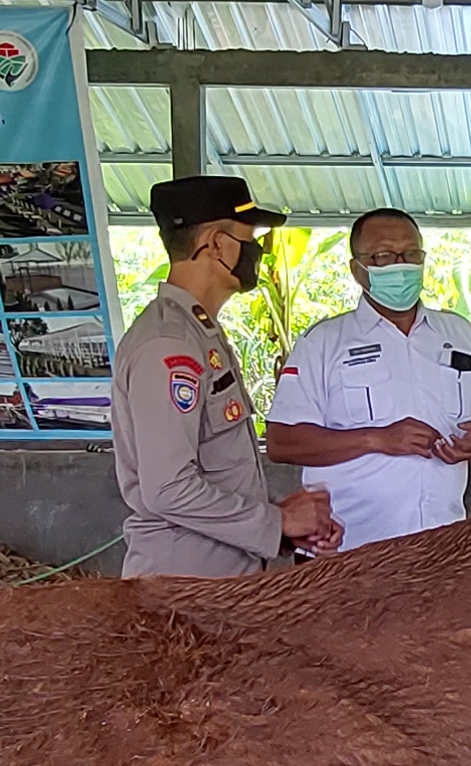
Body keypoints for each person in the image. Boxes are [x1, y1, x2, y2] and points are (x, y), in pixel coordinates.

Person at [112, 176, 342, 577]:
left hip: (221, 579)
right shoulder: (169, 345)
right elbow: (168, 489)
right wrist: (276, 524)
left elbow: (215, 470)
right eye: (249, 238)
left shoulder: (199, 334)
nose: (257, 252)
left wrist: (280, 522)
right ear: (217, 244)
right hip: (185, 588)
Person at [263, 209, 471, 549]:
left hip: (443, 548)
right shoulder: (323, 341)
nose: (400, 264)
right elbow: (281, 442)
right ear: (357, 269)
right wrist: (376, 439)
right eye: (383, 256)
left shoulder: (457, 333)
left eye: (411, 254)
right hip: (350, 551)